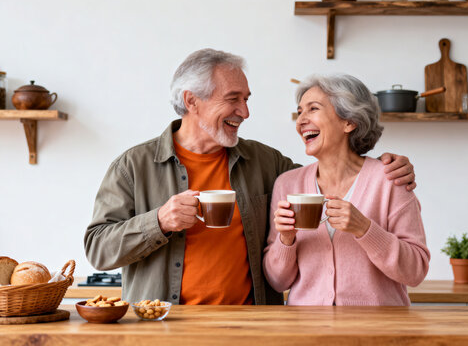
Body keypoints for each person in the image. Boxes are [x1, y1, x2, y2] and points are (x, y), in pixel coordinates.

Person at [84, 49, 417, 305]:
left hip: (251, 325)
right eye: (233, 99)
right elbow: (98, 249)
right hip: (166, 325)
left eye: (246, 100)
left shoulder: (266, 163)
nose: (245, 112)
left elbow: (328, 176)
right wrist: (158, 221)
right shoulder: (133, 166)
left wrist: (388, 165)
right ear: (192, 101)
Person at [263, 74, 430, 306]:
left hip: (377, 333)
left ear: (349, 122)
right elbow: (277, 281)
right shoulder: (288, 184)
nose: (301, 120)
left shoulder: (390, 179)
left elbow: (415, 272)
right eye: (300, 111)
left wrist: (365, 229)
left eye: (313, 109)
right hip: (306, 332)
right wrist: (286, 239)